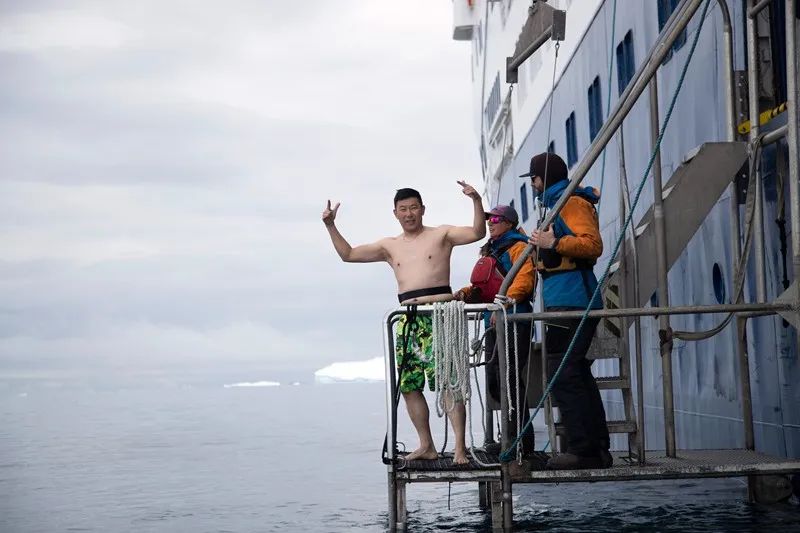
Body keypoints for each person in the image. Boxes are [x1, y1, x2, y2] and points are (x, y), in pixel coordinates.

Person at [322, 182, 485, 465]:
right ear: (395, 213)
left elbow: (477, 232)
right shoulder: (389, 246)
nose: (409, 214)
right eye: (403, 209)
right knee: (409, 385)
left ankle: (460, 448)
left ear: (422, 210)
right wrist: (330, 226)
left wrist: (476, 200)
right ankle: (427, 445)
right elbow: (348, 255)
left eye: (413, 208)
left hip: (440, 316)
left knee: (450, 382)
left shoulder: (442, 234)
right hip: (409, 319)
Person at [524, 152, 612, 470]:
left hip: (573, 300)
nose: (533, 184)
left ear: (544, 177)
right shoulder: (559, 202)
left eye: (534, 178)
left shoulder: (570, 202)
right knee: (575, 373)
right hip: (567, 300)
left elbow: (592, 245)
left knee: (564, 374)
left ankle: (584, 450)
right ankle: (597, 449)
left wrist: (554, 242)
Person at [453, 204, 537, 463]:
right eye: (489, 219)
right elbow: (482, 286)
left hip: (513, 319)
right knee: (494, 379)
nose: (490, 222)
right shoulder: (490, 250)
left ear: (510, 223)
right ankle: (509, 436)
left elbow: (524, 280)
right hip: (494, 321)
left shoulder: (519, 248)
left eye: (496, 219)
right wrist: (466, 295)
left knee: (509, 379)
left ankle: (522, 440)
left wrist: (507, 299)